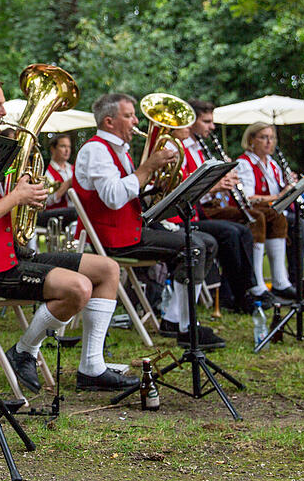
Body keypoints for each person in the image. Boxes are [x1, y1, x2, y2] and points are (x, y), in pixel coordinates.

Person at [0, 73, 137, 392]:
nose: (4, 113)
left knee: (108, 269)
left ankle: (92, 366)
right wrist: (17, 197)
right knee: (78, 288)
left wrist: (26, 191)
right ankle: (24, 351)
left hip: (10, 254)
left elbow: (7, 202)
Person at [73, 93, 225, 350]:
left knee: (205, 242)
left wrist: (158, 186)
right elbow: (113, 197)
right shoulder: (96, 150)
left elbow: (130, 192)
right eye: (129, 116)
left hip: (127, 229)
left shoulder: (119, 150)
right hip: (112, 237)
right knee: (194, 246)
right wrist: (148, 168)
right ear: (109, 121)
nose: (136, 121)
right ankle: (186, 327)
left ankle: (176, 320)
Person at [185, 100, 280, 309]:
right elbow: (186, 190)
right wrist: (215, 186)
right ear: (191, 122)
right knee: (232, 232)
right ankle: (241, 294)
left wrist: (223, 181)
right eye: (207, 121)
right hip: (195, 213)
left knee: (242, 230)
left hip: (206, 208)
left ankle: (245, 290)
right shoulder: (184, 149)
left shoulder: (199, 148)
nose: (212, 127)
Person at [237, 123, 304, 293]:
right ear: (251, 140)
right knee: (300, 226)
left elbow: (279, 190)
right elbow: (248, 198)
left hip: (278, 212)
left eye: (271, 138)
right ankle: (293, 280)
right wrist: (280, 196)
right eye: (263, 137)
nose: (269, 142)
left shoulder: (272, 164)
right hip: (260, 213)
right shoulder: (244, 164)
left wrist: (291, 186)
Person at [37, 133, 76, 233]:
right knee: (77, 212)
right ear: (53, 149)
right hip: (52, 214)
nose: (67, 150)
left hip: (71, 212)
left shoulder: (72, 169)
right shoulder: (46, 172)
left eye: (69, 147)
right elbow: (46, 202)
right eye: (63, 146)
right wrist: (67, 184)